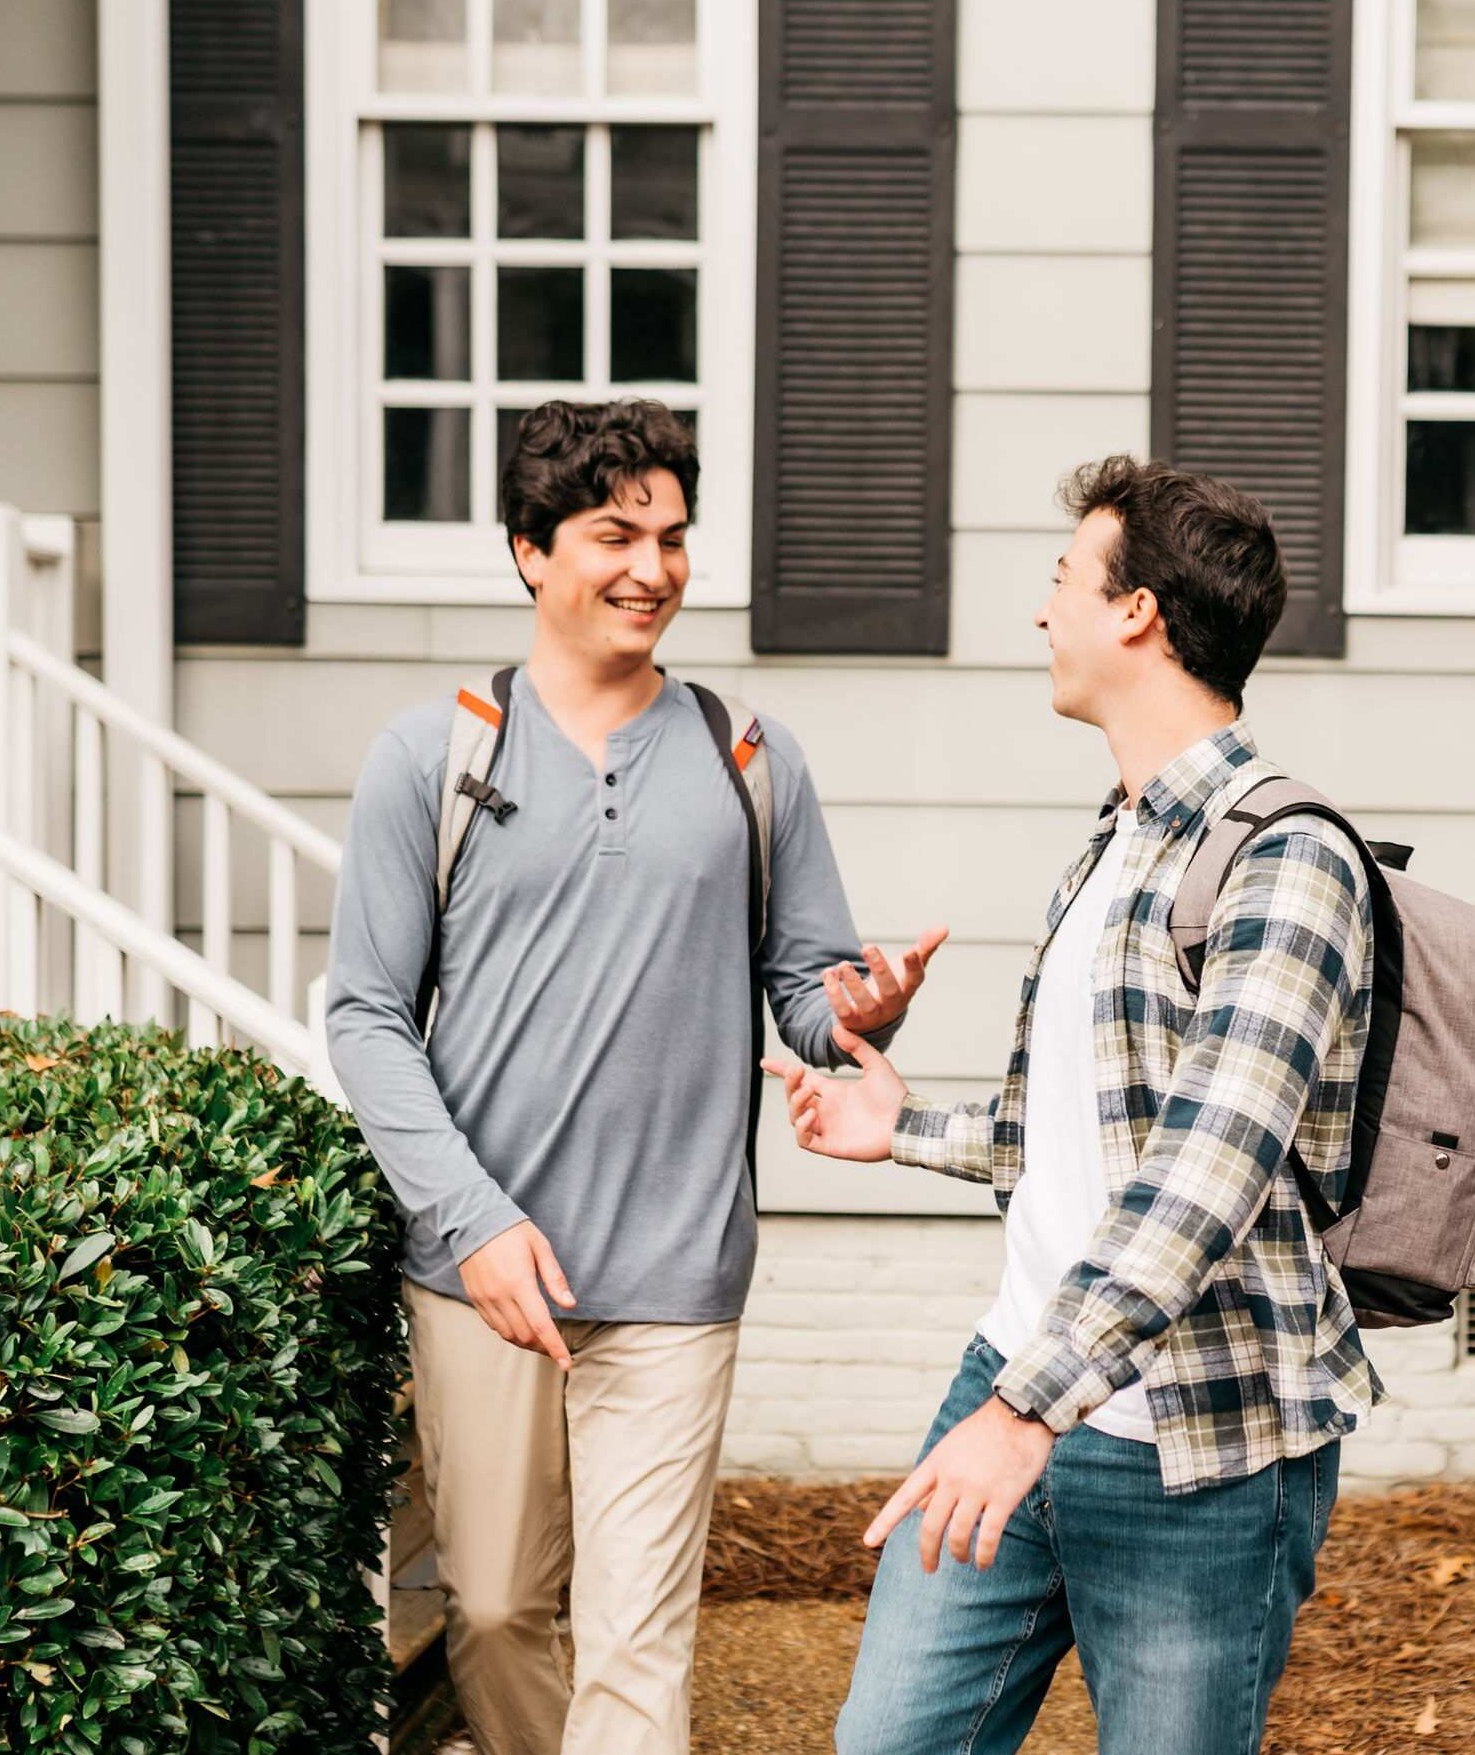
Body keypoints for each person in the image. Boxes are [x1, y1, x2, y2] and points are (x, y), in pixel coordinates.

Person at [325, 398, 945, 1755]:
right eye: (616, 534)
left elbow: (805, 992)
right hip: (485, 1277)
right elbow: (367, 1015)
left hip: (675, 1271)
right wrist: (471, 1223)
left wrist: (858, 1016)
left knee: (636, 1638)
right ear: (528, 551)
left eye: (672, 538)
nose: (652, 569)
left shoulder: (747, 757)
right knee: (489, 1613)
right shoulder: (434, 758)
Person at [764, 456, 1380, 1755]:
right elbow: (1096, 1140)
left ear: (1136, 613)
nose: (1042, 615)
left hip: (1193, 1448)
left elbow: (1206, 1172)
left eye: (1061, 582)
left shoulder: (1286, 859)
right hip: (1023, 1378)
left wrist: (1022, 1414)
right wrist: (905, 1131)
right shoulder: (1118, 840)